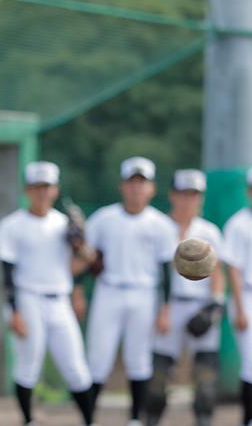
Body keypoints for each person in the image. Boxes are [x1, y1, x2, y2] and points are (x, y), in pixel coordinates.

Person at [0, 161, 97, 426]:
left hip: (59, 299)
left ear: (55, 190)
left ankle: (89, 420)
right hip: (28, 297)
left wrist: (82, 247)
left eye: (47, 187)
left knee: (76, 367)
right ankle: (28, 420)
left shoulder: (63, 224)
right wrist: (14, 311)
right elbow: (7, 272)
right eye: (37, 186)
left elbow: (78, 266)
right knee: (28, 365)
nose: (43, 192)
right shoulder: (12, 225)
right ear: (27, 189)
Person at [80, 156, 177, 426]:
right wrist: (77, 288)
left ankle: (136, 419)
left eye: (141, 183)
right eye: (131, 182)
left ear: (151, 188)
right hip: (109, 289)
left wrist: (166, 308)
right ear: (122, 186)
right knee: (98, 357)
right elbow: (90, 260)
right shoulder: (104, 218)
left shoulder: (161, 225)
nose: (136, 188)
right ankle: (88, 417)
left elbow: (166, 270)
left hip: (144, 293)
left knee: (139, 358)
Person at [143, 169, 224, 426]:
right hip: (170, 306)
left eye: (195, 194)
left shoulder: (208, 231)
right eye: (184, 194)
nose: (189, 200)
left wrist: (215, 307)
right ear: (172, 195)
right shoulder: (158, 227)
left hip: (200, 304)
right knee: (158, 377)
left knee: (206, 377)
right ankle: (152, 420)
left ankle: (204, 421)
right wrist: (160, 310)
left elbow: (218, 273)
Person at [221, 169, 252, 426]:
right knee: (251, 363)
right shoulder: (238, 223)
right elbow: (233, 268)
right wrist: (240, 309)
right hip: (247, 295)